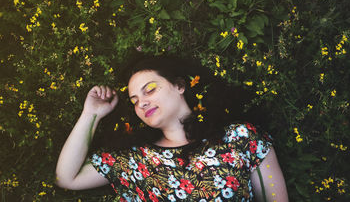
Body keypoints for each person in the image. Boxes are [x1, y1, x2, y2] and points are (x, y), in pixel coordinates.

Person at [56, 55, 289, 201]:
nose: (142, 102)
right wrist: (91, 114)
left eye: (150, 89)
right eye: (135, 100)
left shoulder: (240, 138)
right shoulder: (134, 160)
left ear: (179, 86)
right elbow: (66, 178)